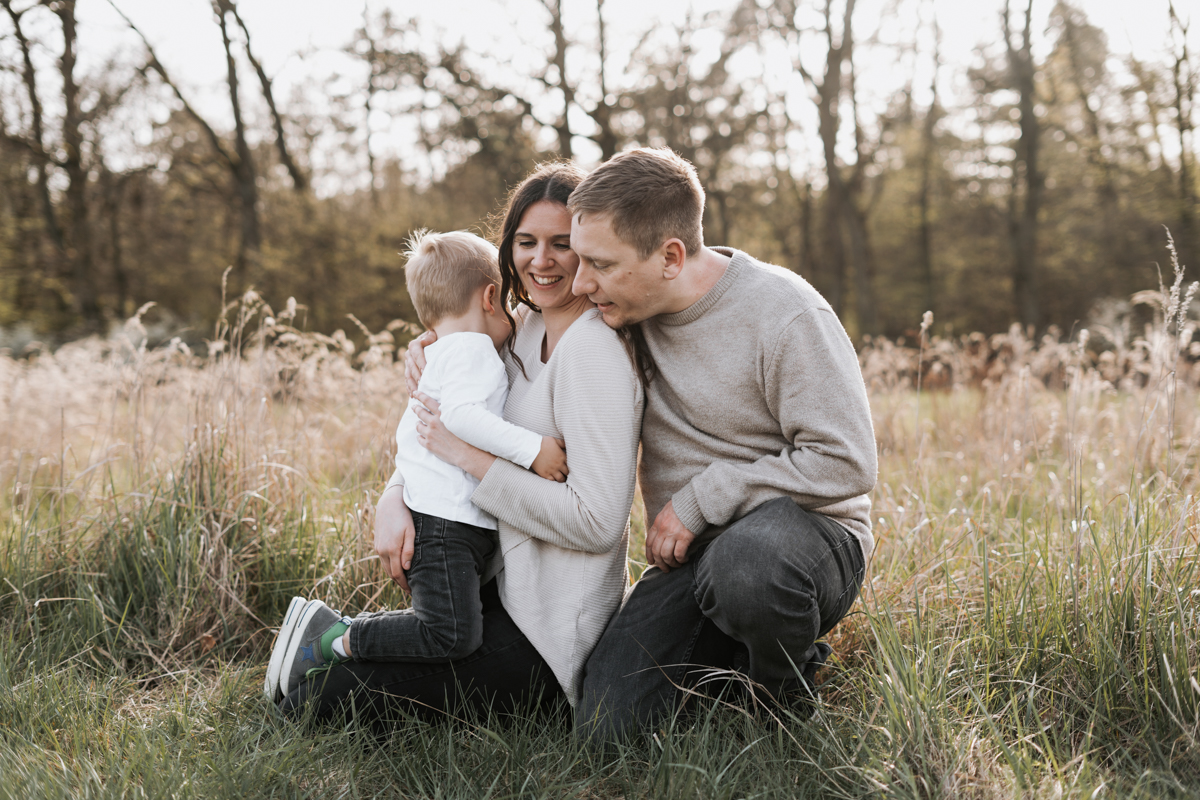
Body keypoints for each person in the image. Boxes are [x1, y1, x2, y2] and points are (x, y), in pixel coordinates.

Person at [275, 162, 644, 726]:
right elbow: (442, 418)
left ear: (591, 248)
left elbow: (597, 523)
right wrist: (394, 494)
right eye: (526, 242)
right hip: (496, 591)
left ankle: (338, 636)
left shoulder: (596, 354)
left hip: (545, 627)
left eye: (561, 244)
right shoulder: (516, 328)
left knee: (319, 701)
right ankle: (337, 635)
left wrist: (472, 460)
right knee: (328, 690)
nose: (541, 260)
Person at [567, 147, 877, 741]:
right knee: (606, 728)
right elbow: (522, 309)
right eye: (582, 261)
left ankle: (782, 694)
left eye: (599, 264)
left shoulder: (786, 312)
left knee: (747, 569)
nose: (583, 282)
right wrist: (440, 339)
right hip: (692, 556)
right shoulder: (624, 309)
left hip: (803, 542)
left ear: (671, 256)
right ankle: (733, 662)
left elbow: (847, 462)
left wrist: (703, 497)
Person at [264, 230, 570, 702]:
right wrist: (535, 451)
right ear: (491, 297)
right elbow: (463, 418)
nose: (514, 313)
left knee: (448, 631)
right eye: (508, 300)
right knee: (448, 635)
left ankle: (334, 642)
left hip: (440, 521)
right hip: (448, 525)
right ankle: (333, 638)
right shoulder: (471, 351)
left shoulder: (441, 354)